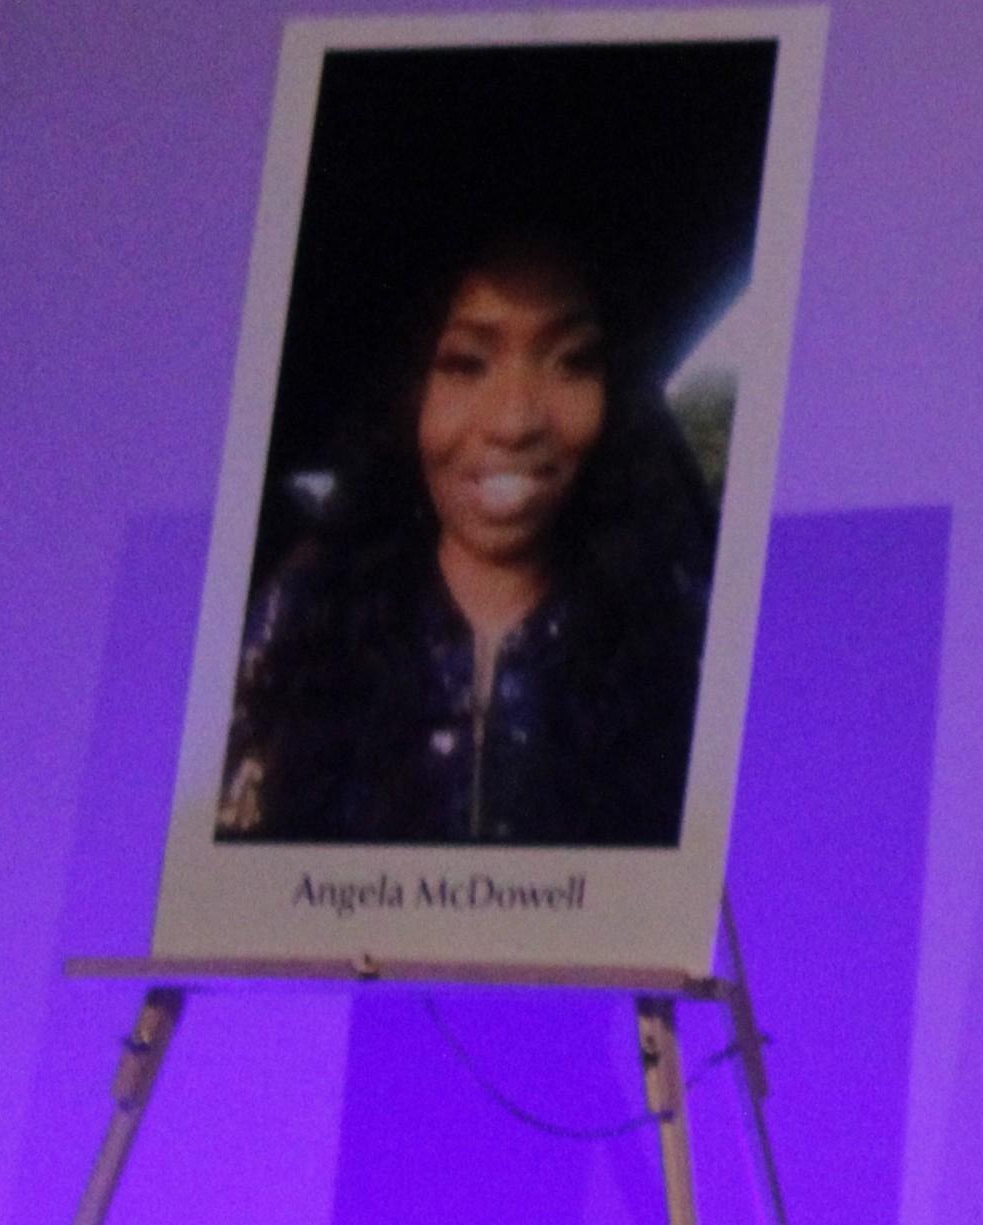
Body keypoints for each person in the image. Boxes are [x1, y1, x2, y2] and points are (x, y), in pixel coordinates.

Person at [219, 226, 721, 846]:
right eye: (465, 363)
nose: (514, 422)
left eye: (571, 361)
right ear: (406, 392)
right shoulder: (298, 619)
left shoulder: (686, 636)